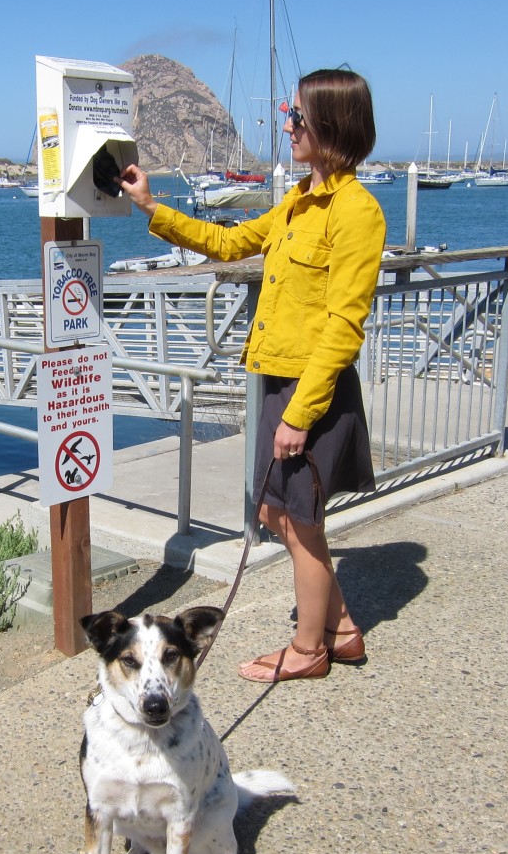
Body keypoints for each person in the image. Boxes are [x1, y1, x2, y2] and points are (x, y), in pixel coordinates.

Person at [118, 67, 386, 682]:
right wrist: (153, 208)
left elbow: (344, 327)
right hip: (278, 380)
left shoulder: (356, 213)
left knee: (301, 519)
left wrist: (299, 413)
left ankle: (308, 649)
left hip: (311, 390)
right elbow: (230, 241)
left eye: (297, 116)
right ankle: (340, 630)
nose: (286, 124)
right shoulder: (295, 201)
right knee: (275, 514)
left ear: (331, 123)